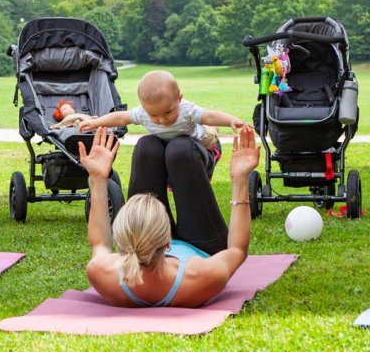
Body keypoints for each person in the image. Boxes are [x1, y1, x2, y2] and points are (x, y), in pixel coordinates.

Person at [79, 126, 259, 308]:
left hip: (146, 245)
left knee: (147, 146)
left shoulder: (102, 272)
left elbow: (100, 243)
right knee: (181, 150)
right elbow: (237, 250)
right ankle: (204, 155)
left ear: (122, 241)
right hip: (204, 246)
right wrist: (240, 178)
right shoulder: (201, 275)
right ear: (167, 242)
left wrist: (97, 178)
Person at [79, 70, 250, 180]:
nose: (161, 120)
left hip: (201, 140)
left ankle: (213, 136)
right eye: (154, 115)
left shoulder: (186, 110)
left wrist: (231, 120)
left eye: (168, 112)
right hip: (172, 145)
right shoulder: (143, 113)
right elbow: (120, 118)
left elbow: (209, 116)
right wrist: (96, 122)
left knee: (208, 131)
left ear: (179, 99)